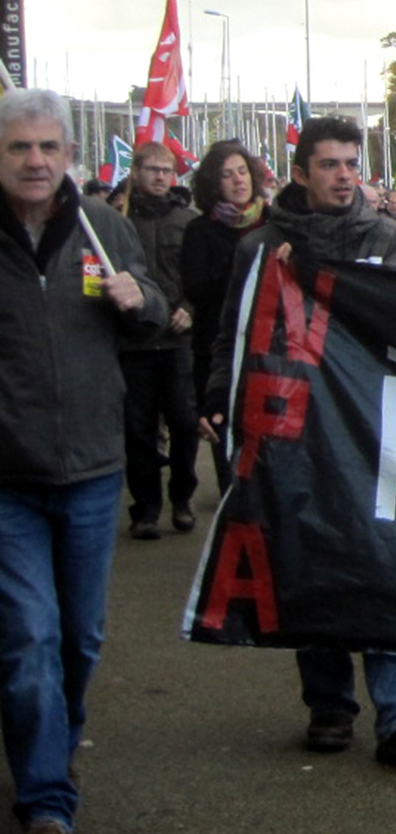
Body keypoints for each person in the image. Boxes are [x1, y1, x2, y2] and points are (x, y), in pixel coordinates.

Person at [203, 116, 396, 765]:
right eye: (330, 165)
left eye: (351, 164)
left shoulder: (386, 238)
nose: (343, 176)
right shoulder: (259, 248)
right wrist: (218, 399)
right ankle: (330, 705)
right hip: (294, 428)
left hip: (371, 426)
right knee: (308, 559)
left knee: (390, 558)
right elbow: (233, 332)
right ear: (301, 173)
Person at [1, 89, 165, 834]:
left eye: (47, 148)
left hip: (93, 469)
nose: (34, 161)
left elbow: (160, 311)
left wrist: (142, 301)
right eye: (17, 148)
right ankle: (44, 805)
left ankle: (52, 747)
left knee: (78, 638)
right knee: (25, 637)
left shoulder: (105, 227)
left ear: (69, 156)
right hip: (7, 477)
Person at [118, 141, 203, 538]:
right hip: (133, 342)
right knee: (138, 430)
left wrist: (190, 307)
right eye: (152, 169)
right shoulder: (119, 221)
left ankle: (182, 497)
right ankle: (146, 509)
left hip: (176, 340)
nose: (160, 177)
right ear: (136, 172)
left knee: (185, 423)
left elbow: (200, 277)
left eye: (166, 171)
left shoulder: (187, 222)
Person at [180, 138, 269, 494]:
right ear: (213, 184)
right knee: (225, 432)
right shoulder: (199, 231)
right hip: (220, 348)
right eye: (227, 175)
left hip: (267, 344)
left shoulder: (272, 222)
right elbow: (196, 290)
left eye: (242, 171)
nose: (238, 180)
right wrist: (239, 263)